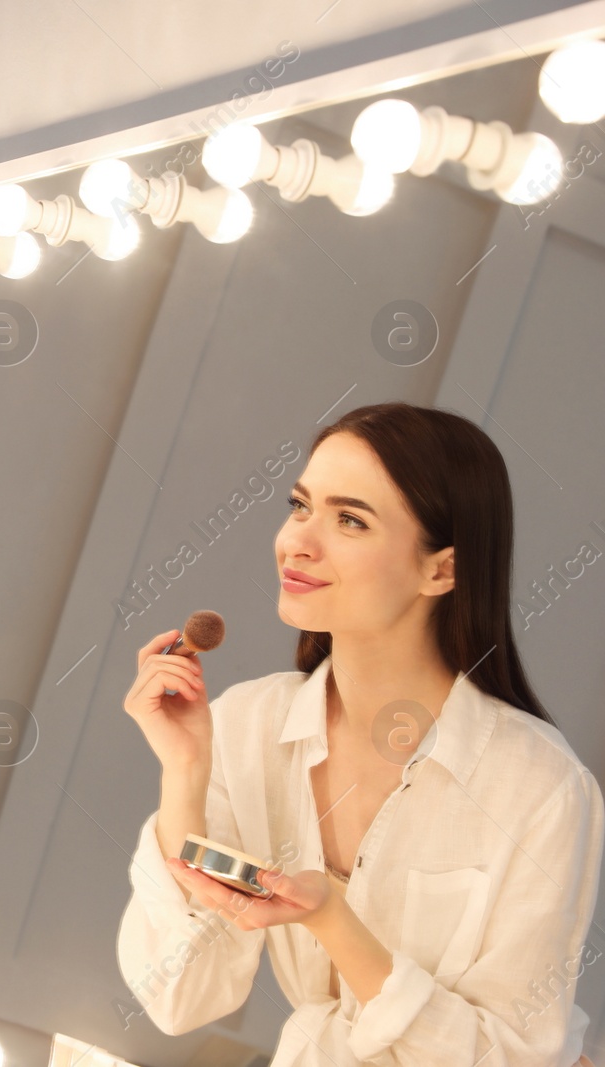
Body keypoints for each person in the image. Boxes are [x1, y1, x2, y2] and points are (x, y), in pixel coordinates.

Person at [118, 402, 603, 1066]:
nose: (299, 542)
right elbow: (181, 995)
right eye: (300, 505)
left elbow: (514, 1055)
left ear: (442, 570)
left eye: (350, 519)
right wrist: (185, 774)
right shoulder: (245, 723)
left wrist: (332, 919)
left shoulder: (540, 785)